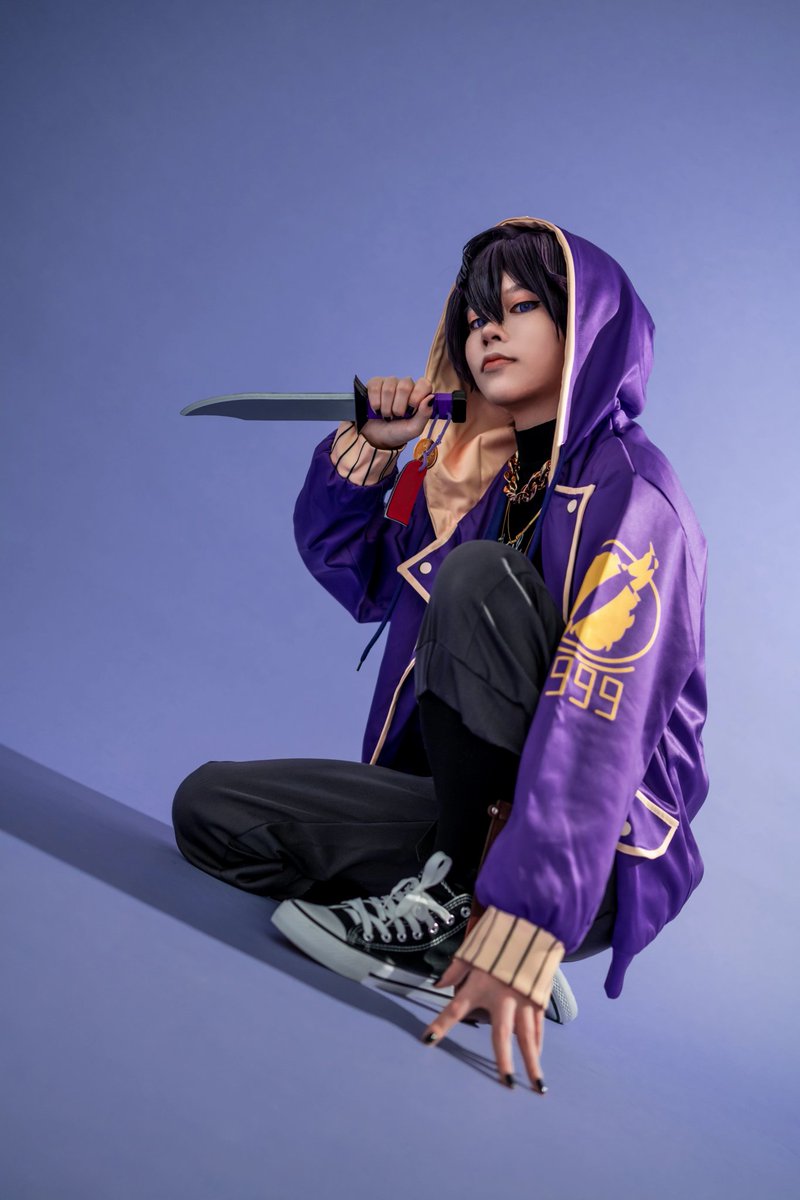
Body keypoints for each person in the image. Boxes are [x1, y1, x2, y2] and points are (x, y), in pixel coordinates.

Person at [171, 216, 709, 1095]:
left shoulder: (634, 494)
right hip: (463, 817)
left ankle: (489, 921)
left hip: (599, 849)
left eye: (522, 307)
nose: (489, 331)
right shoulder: (486, 481)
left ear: (585, 328)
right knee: (213, 809)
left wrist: (532, 919)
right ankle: (453, 903)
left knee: (478, 577)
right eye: (477, 315)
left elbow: (598, 728)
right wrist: (376, 454)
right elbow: (367, 580)